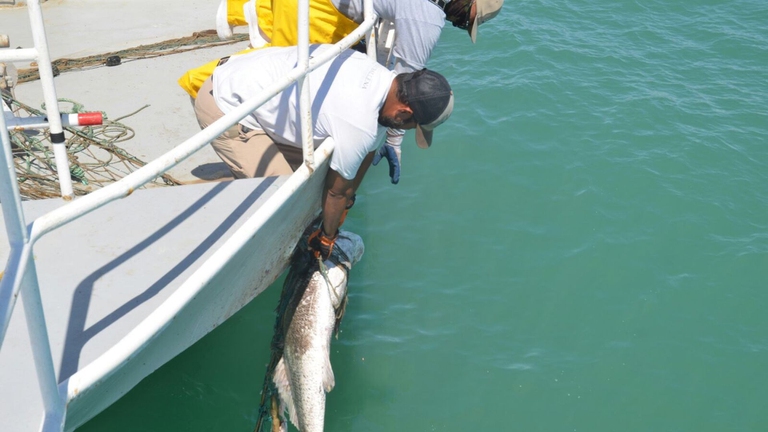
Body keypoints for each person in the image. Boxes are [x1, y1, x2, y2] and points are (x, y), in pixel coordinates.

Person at [191, 0, 503, 184]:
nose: (459, 23)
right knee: (283, 70)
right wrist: (392, 142)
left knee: (284, 68)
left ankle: (248, 133)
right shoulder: (428, 18)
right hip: (313, 8)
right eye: (468, 18)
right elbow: (404, 86)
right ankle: (215, 103)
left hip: (327, 8)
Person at [193, 44, 453, 257]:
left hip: (250, 75)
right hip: (226, 105)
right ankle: (239, 179)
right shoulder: (358, 122)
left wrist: (349, 200)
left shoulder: (384, 81)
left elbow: (367, 152)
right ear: (404, 112)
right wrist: (328, 238)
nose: (405, 132)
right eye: (411, 127)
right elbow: (335, 191)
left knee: (317, 183)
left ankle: (247, 171)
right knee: (286, 204)